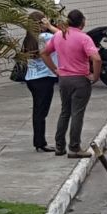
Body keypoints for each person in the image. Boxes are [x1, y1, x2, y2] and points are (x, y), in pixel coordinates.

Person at [41, 9, 101, 158]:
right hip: (80, 79)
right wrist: (96, 76)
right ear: (82, 22)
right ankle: (74, 147)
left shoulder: (58, 36)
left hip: (64, 79)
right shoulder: (84, 38)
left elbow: (44, 53)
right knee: (77, 114)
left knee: (65, 112)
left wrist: (55, 69)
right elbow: (97, 58)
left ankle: (59, 146)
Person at [22, 11, 60, 153]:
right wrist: (50, 26)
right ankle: (40, 143)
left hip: (32, 79)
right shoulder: (45, 37)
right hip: (44, 79)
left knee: (38, 111)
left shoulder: (29, 38)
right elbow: (65, 36)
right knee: (41, 112)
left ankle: (39, 142)